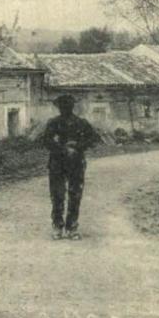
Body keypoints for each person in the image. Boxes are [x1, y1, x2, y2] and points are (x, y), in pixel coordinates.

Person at [39, 94, 100, 240]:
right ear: (59, 107)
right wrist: (62, 149)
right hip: (57, 163)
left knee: (75, 194)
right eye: (62, 106)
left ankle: (72, 227)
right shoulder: (54, 123)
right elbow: (46, 140)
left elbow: (92, 138)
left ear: (72, 107)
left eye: (67, 105)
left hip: (76, 162)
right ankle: (58, 227)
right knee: (57, 195)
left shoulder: (81, 123)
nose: (64, 108)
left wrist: (78, 147)